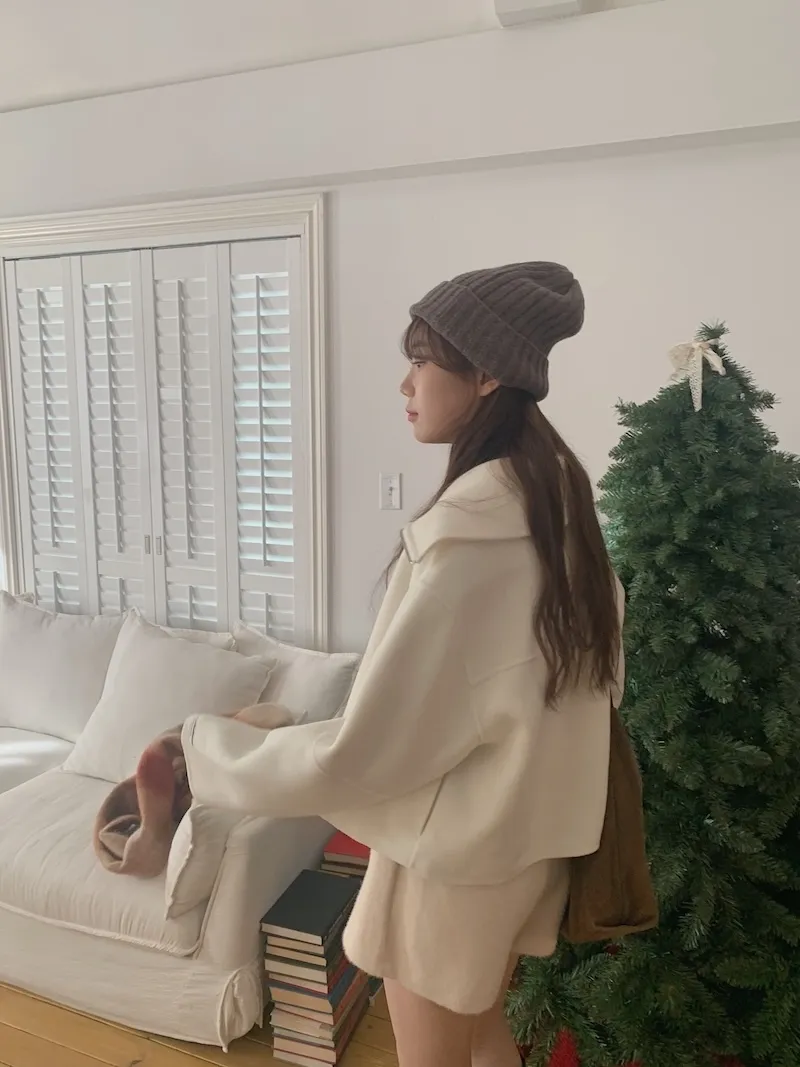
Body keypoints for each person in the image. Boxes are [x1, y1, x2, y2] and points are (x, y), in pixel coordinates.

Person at [181, 262, 624, 1067]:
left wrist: (208, 749)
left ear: (486, 375)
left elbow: (370, 750)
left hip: (450, 864)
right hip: (519, 848)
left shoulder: (470, 545)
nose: (405, 382)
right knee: (482, 1035)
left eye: (422, 359)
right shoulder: (560, 510)